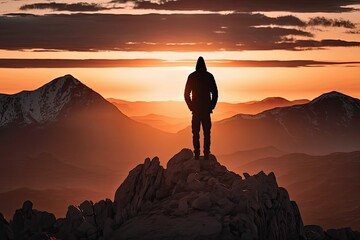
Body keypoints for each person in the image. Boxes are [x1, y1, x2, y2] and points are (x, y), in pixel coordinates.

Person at [184, 56, 218, 160]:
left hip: (196, 110)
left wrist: (191, 107)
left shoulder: (192, 76)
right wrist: (211, 107)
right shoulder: (209, 76)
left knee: (195, 133)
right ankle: (206, 154)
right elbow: (215, 93)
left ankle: (197, 154)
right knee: (207, 133)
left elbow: (186, 94)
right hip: (206, 110)